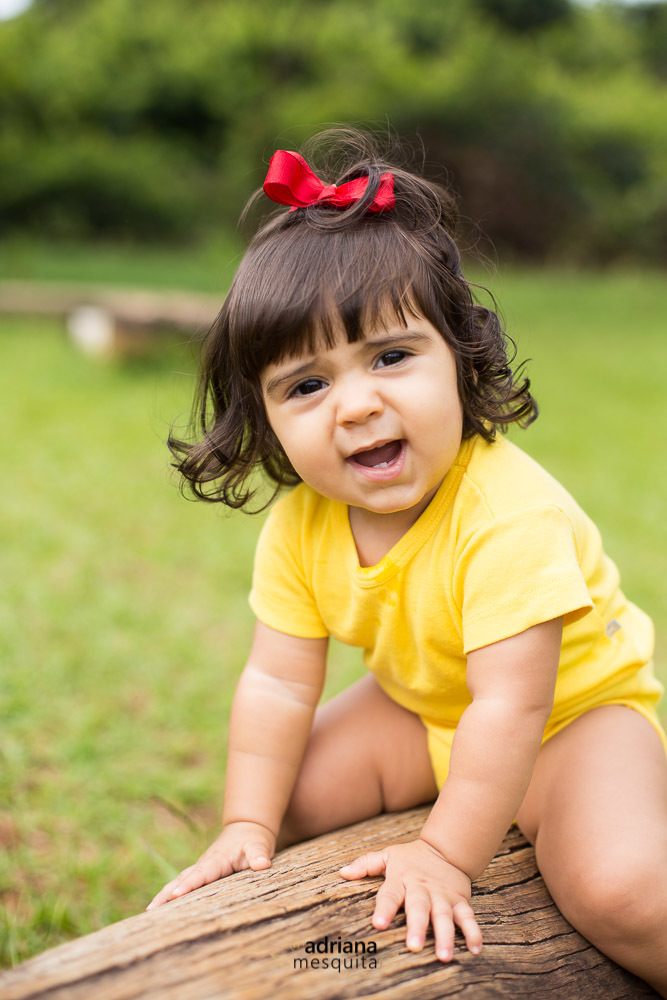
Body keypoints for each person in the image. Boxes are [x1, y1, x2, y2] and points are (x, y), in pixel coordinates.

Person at [147, 128, 667, 994]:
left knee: (622, 890)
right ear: (263, 418)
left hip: (570, 723)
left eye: (390, 357)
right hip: (423, 713)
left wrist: (444, 853)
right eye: (306, 385)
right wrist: (245, 822)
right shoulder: (302, 526)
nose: (355, 405)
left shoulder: (506, 515)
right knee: (289, 797)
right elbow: (276, 683)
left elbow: (510, 704)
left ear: (459, 358)